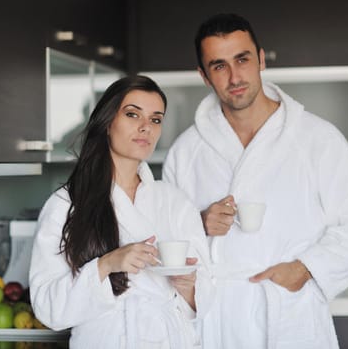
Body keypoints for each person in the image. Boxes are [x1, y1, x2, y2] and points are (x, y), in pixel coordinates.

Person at [162, 13, 348, 349]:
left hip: (289, 315)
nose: (235, 76)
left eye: (242, 59)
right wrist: (196, 222)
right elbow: (168, 243)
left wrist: (305, 269)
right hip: (218, 323)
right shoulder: (185, 151)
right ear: (204, 76)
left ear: (261, 59)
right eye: (219, 66)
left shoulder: (316, 138)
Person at [29, 75, 214, 349]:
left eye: (155, 119)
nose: (145, 128)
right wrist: (107, 264)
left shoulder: (175, 201)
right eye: (132, 114)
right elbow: (48, 309)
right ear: (107, 122)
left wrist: (188, 286)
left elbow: (208, 294)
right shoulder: (67, 204)